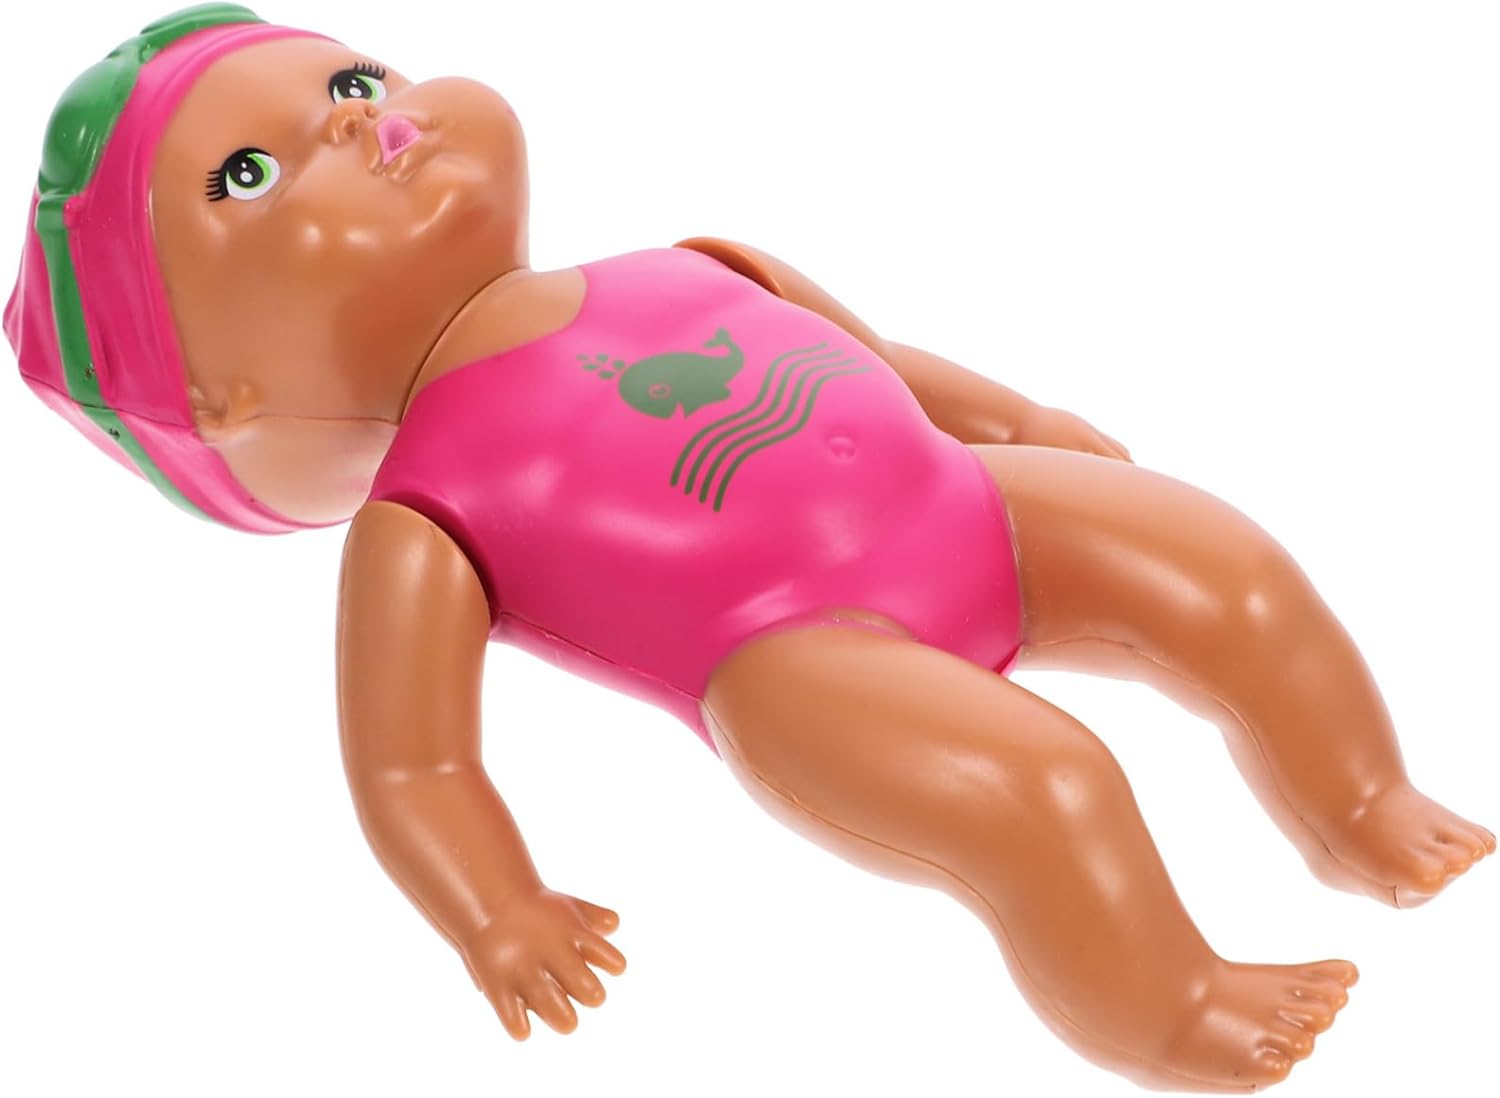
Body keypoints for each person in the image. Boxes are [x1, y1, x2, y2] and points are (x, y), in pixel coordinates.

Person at [6, 5, 1491, 1090]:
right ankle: (1168, 1004)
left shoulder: (688, 259)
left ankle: (1363, 804)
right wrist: (498, 910)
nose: (353, 120)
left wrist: (1020, 419)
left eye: (351, 78)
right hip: (797, 659)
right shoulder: (420, 513)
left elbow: (884, 362)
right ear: (218, 394)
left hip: (970, 502)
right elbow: (413, 767)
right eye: (248, 176)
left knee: (1232, 572)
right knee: (1043, 787)